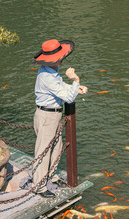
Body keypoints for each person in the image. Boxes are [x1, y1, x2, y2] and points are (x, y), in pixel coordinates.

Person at [31, 39, 88, 198]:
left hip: (52, 114)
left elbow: (61, 89)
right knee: (43, 150)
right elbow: (68, 98)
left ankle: (52, 176)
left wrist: (75, 89)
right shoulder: (48, 76)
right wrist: (75, 80)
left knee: (56, 146)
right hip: (47, 116)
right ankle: (39, 186)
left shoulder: (48, 71)